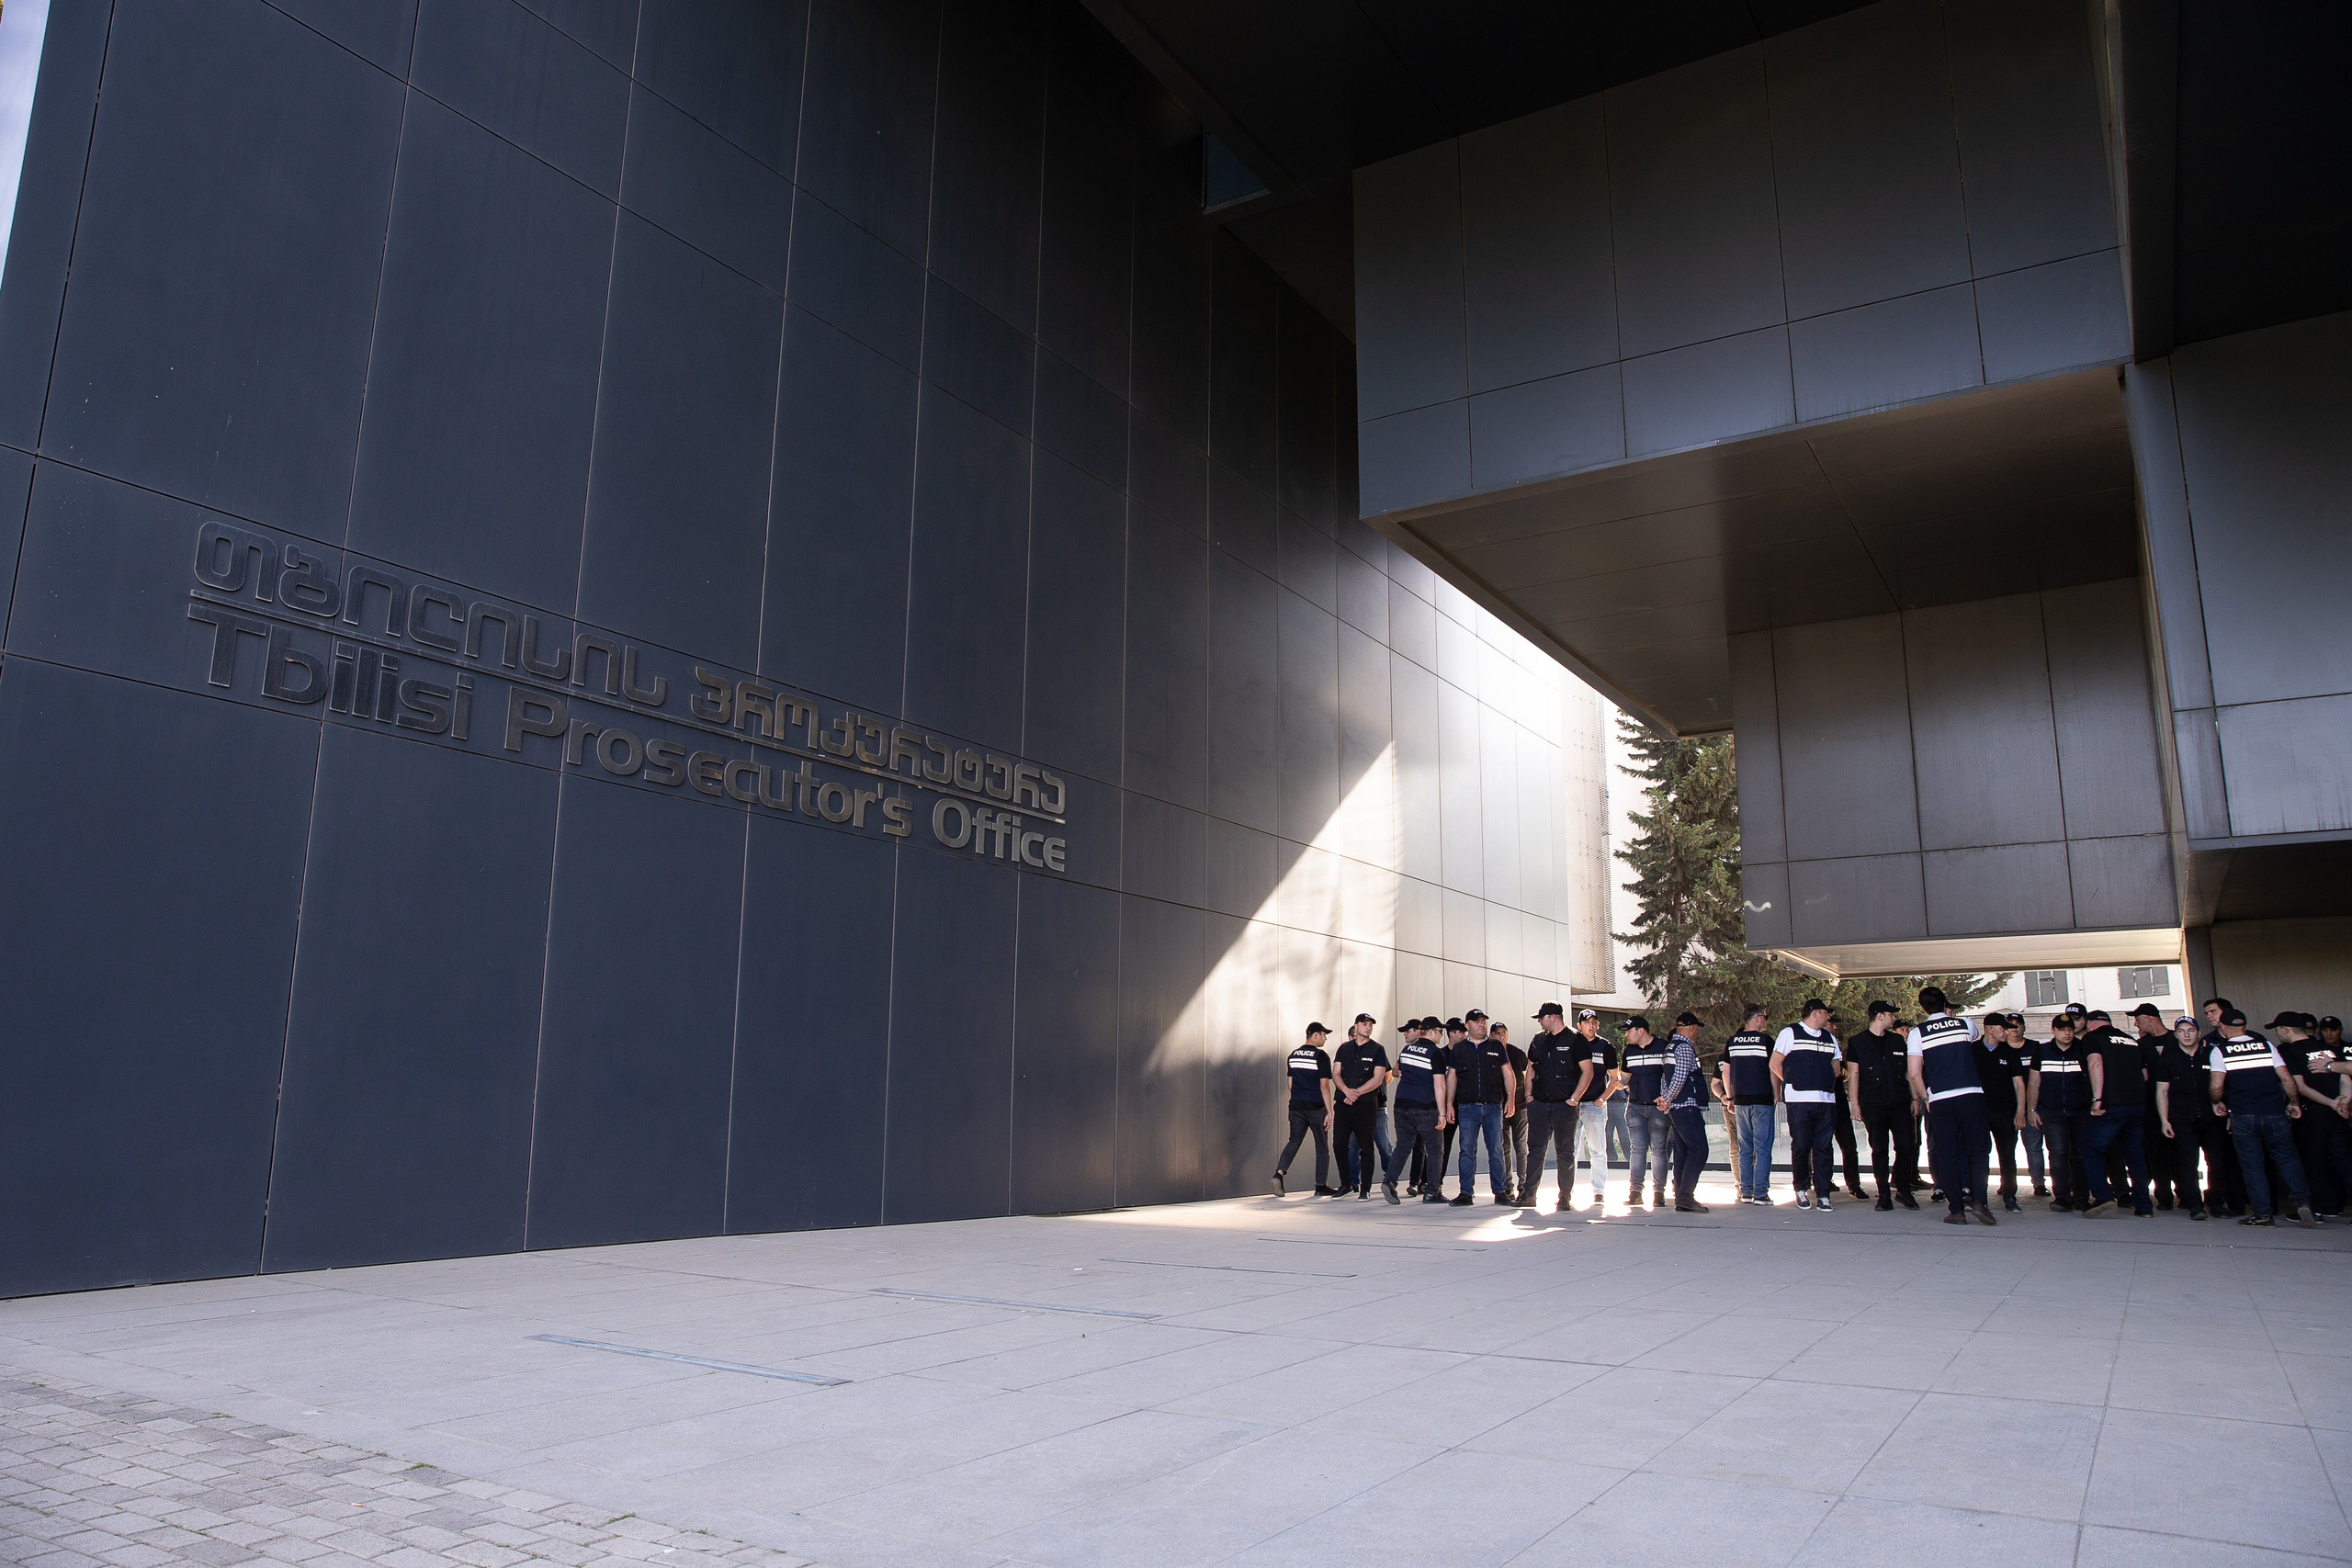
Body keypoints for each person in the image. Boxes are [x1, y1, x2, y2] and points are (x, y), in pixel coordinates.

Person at [2207, 1009, 2315, 1227]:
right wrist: (2293, 1103)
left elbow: (2217, 1085)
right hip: (2275, 1113)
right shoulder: (2266, 1046)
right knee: (2287, 1160)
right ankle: (2302, 1203)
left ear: (2224, 1028)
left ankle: (2263, 1214)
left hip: (2243, 1116)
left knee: (2253, 1166)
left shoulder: (2221, 1051)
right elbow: (2286, 1079)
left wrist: (2216, 1101)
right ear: (2244, 1026)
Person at [1908, 987, 1995, 1225]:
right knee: (1978, 1152)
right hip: (1971, 1094)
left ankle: (1956, 1210)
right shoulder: (1966, 1025)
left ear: (1923, 1008)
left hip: (1940, 1100)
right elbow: (1972, 1040)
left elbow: (1915, 1074)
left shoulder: (1918, 1033)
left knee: (1947, 1154)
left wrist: (1927, 1098)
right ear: (1946, 1004)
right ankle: (1980, 1202)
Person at [1846, 1001, 1920, 1210]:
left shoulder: (1897, 1041)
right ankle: (1884, 1195)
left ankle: (1903, 1190)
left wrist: (1915, 1099)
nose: (1893, 1018)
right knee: (1879, 1149)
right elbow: (1854, 1074)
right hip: (1873, 1104)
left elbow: (1907, 1073)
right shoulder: (1857, 1042)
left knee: (1906, 1146)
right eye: (1890, 1014)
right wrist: (1855, 1104)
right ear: (1879, 1016)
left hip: (1899, 1102)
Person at [2079, 1008, 2153, 1217]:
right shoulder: (2130, 1040)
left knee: (2091, 1149)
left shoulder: (2092, 1038)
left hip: (2110, 1105)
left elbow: (2095, 1063)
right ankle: (2144, 1206)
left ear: (2090, 1024)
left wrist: (2097, 1098)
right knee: (2135, 1155)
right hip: (2136, 1104)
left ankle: (2103, 1196)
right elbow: (2145, 1074)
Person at [2278, 1012, 2352, 1216]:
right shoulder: (2327, 1048)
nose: (2277, 1034)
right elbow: (2345, 1078)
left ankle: (2318, 1209)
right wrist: (2343, 1102)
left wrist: (2331, 1103)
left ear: (2286, 1029)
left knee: (2313, 1164)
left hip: (2312, 1117)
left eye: (2277, 1029)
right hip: (2337, 1115)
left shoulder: (2288, 1051)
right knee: (2344, 1162)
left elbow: (2298, 1086)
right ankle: (2332, 1207)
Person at [1773, 998, 1843, 1211]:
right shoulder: (1790, 1033)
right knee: (1802, 1145)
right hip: (1799, 1101)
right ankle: (1801, 1189)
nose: (1828, 1017)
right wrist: (1794, 1080)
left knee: (1823, 1148)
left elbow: (1836, 1066)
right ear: (1814, 1013)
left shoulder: (1829, 1037)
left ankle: (1823, 1193)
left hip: (1826, 1100)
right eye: (1825, 1013)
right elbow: (1775, 1063)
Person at [2153, 1013, 2217, 1219]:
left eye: (2190, 1031)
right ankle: (2195, 1205)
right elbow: (2162, 1091)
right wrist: (2164, 1120)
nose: (2186, 1035)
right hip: (2182, 1120)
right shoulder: (2168, 1059)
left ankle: (2216, 1202)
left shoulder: (2211, 1055)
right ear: (2176, 1035)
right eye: (2181, 1031)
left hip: (2212, 1118)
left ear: (2198, 1033)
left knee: (2216, 1162)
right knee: (2188, 1163)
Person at [1448, 1009, 1515, 1206]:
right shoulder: (1459, 1049)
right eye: (1476, 1021)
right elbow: (1451, 1078)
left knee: (1496, 1149)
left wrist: (1510, 1099)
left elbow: (1508, 1073)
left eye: (1484, 1021)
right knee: (1466, 1150)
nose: (1481, 1024)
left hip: (1493, 1107)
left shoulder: (1496, 1046)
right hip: (1467, 1108)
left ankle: (1501, 1191)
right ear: (1467, 1026)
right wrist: (1448, 1106)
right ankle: (1466, 1193)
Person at [2025, 1012, 2091, 1211]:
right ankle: (2062, 1197)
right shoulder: (2042, 1051)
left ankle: (2081, 1197)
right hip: (2053, 1113)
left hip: (2080, 1112)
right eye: (2062, 1030)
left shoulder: (2083, 1050)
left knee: (2080, 1155)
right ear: (2053, 1031)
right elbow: (2034, 1082)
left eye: (2070, 1029)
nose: (2067, 1033)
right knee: (2058, 1154)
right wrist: (2031, 1109)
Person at [1521, 1003, 1584, 1209]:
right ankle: (1528, 1195)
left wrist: (1574, 1099)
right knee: (1535, 1149)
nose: (1539, 1021)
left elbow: (1588, 1072)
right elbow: (1531, 1068)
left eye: (1542, 1017)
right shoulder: (1538, 1040)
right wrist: (1529, 1095)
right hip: (1539, 1103)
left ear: (1554, 1017)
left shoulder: (1576, 1039)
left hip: (1563, 1105)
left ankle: (1564, 1197)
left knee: (1564, 1151)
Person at [1383, 1018, 1451, 1205]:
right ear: (1430, 1032)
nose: (1441, 1035)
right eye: (1439, 1031)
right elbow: (1439, 1084)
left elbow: (1400, 1073)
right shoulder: (1435, 1054)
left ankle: (1389, 1181)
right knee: (1435, 1149)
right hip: (1424, 1107)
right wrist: (1442, 1113)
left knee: (1403, 1145)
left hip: (1401, 1105)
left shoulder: (1407, 1050)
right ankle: (1432, 1192)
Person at [1720, 1003, 1776, 1204]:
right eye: (1765, 1017)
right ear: (1757, 1018)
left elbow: (1726, 1072)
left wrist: (1730, 1096)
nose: (1766, 1021)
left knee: (1744, 1148)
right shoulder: (1766, 1041)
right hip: (1762, 1100)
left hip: (1741, 1101)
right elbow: (1773, 1069)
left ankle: (1746, 1191)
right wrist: (1776, 1094)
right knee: (1762, 1149)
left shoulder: (1732, 1042)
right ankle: (1760, 1193)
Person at [1974, 1011, 2030, 1213]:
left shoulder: (2010, 1053)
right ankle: (1978, 1198)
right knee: (1979, 1155)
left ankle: (2010, 1196)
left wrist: (2020, 1112)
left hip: (2005, 1112)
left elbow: (2019, 1084)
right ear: (1990, 1029)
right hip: (1979, 1113)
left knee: (2007, 1156)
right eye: (2003, 1028)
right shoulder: (1972, 1050)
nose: (2008, 1032)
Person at [1331, 1014, 1390, 1201]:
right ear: (1356, 1026)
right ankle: (1346, 1184)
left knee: (1366, 1147)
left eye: (1371, 1025)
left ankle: (1365, 1188)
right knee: (1339, 1145)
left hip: (1366, 1105)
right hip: (1343, 1103)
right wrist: (1346, 1092)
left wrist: (1356, 1092)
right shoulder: (1344, 1048)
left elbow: (1378, 1078)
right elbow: (1336, 1073)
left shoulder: (1377, 1050)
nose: (1368, 1027)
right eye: (1364, 1024)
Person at [1274, 1023, 1336, 1196]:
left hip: (1296, 1106)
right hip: (1315, 1107)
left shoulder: (1293, 1055)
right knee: (1322, 1147)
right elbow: (1325, 1086)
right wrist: (1330, 1111)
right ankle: (1320, 1186)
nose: (1325, 1039)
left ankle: (1279, 1174)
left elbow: (1290, 1083)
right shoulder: (1321, 1056)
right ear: (1315, 1035)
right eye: (1324, 1035)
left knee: (1293, 1141)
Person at [1620, 1017, 1673, 1210]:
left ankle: (1658, 1193)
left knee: (1659, 1150)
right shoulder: (1629, 1051)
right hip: (1634, 1106)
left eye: (1628, 1030)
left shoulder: (1663, 1047)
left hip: (1657, 1107)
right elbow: (1626, 1075)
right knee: (1637, 1149)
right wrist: (1621, 1082)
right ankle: (1635, 1192)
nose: (1626, 1034)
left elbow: (1672, 1074)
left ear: (1641, 1030)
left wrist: (1667, 1098)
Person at [1662, 1011, 1712, 1213]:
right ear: (1692, 1029)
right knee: (1699, 1149)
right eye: (1696, 1029)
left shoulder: (1669, 1047)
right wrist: (1668, 1099)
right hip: (1686, 1106)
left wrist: (1666, 1100)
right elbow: (1680, 1078)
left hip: (1675, 1108)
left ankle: (1681, 1195)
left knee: (1683, 1152)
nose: (1696, 1033)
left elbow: (1664, 1078)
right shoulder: (1685, 1048)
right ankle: (1685, 1196)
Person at [2129, 1004, 2177, 1209]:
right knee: (2156, 1153)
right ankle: (2164, 1196)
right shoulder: (2141, 1045)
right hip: (2150, 1109)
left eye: (2137, 1018)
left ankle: (2186, 1193)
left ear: (2149, 1018)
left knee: (2182, 1153)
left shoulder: (2177, 1039)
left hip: (2179, 1107)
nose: (2135, 1022)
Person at [1568, 1009, 1612, 1208]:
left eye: (1594, 1022)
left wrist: (1602, 1100)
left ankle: (1599, 1191)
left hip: (1594, 1104)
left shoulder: (1605, 1047)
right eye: (1587, 1022)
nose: (1591, 1025)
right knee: (1571, 1150)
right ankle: (1567, 1190)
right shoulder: (1571, 1044)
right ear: (1579, 1025)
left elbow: (1615, 1077)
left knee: (1597, 1150)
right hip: (1573, 1104)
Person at [2010, 1014, 2049, 1196]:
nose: (2015, 1028)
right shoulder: (2001, 1049)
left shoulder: (2035, 1048)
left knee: (2034, 1147)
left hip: (2032, 1107)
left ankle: (2039, 1183)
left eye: (2018, 1025)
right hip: (2008, 1107)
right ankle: (2007, 1183)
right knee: (2007, 1149)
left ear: (2024, 1027)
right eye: (2010, 1025)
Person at [1495, 1021, 1529, 1205]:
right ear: (1492, 1036)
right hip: (1499, 1107)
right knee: (1503, 1148)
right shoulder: (1490, 1053)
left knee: (1521, 1147)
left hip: (1520, 1105)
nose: (1501, 1037)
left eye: (1503, 1033)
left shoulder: (1517, 1053)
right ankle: (1508, 1186)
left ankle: (1524, 1186)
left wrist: (1528, 1095)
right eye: (1497, 1034)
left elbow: (1527, 1073)